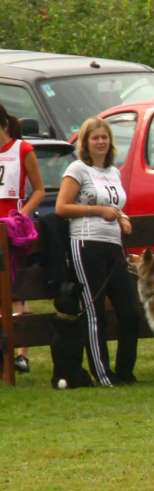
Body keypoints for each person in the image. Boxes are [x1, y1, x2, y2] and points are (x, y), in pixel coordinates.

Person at [55, 117, 139, 386]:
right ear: (86, 142)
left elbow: (115, 204)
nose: (101, 142)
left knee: (129, 310)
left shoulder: (113, 171)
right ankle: (102, 373)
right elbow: (62, 207)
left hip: (113, 245)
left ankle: (125, 371)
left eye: (104, 137)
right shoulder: (77, 169)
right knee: (95, 312)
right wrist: (98, 211)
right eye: (95, 138)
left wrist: (122, 217)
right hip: (86, 242)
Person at [0, 102, 45, 375]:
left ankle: (22, 352)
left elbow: (39, 189)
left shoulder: (23, 150)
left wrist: (22, 215)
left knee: (16, 288)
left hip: (12, 227)